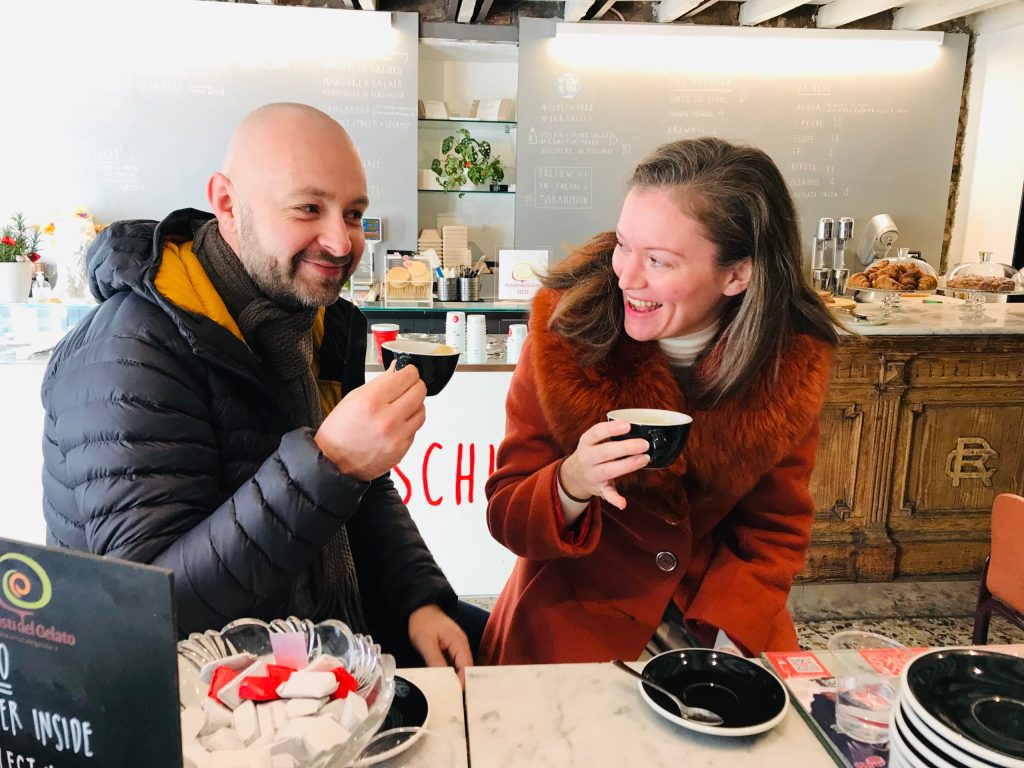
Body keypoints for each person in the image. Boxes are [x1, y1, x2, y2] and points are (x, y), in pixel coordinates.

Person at [41, 103, 476, 678]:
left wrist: (417, 597)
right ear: (226, 202)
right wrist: (331, 462)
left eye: (352, 214)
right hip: (193, 702)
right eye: (308, 208)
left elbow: (358, 490)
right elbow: (153, 610)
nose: (342, 243)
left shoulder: (314, 319)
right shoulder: (133, 349)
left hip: (316, 657)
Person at [479, 137, 842, 665]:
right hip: (573, 621)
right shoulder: (565, 335)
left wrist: (723, 649)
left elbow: (773, 531)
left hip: (717, 621)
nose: (626, 275)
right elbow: (507, 515)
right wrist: (571, 483)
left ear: (737, 274)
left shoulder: (785, 366)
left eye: (660, 261)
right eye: (623, 245)